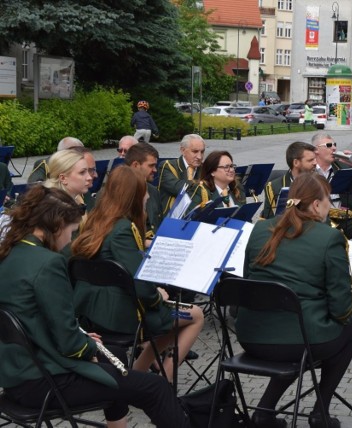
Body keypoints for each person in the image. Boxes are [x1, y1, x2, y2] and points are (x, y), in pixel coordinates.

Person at [0, 185, 190, 428]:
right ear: (57, 224)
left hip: (16, 375)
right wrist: (87, 346)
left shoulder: (10, 253)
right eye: (71, 230)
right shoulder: (48, 263)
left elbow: (32, 318)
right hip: (45, 382)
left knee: (117, 355)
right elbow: (69, 344)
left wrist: (84, 339)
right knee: (156, 387)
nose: (70, 238)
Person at [239, 172, 352, 428]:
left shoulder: (260, 228)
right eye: (329, 201)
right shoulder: (329, 237)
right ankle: (319, 412)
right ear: (316, 204)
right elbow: (341, 306)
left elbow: (247, 281)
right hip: (299, 342)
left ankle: (264, 411)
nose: (331, 207)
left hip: (250, 337)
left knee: (297, 329)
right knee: (348, 326)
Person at [72, 166, 204, 382]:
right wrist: (157, 297)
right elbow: (140, 285)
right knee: (195, 315)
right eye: (144, 191)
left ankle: (137, 376)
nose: (148, 195)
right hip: (123, 316)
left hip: (92, 312)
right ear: (134, 195)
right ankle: (162, 383)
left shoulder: (95, 221)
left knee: (172, 319)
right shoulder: (123, 228)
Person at [312, 132, 352, 239]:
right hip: (319, 220)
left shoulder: (343, 167)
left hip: (345, 219)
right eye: (329, 145)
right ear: (316, 150)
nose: (334, 148)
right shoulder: (308, 170)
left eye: (335, 145)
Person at [261, 141, 317, 219]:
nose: (315, 163)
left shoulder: (319, 182)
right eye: (310, 160)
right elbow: (269, 220)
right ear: (296, 163)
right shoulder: (273, 187)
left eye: (315, 159)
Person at [158, 134, 206, 215]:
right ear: (183, 150)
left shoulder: (205, 168)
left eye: (202, 152)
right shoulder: (168, 166)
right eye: (195, 151)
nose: (199, 156)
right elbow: (178, 188)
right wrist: (202, 184)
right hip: (170, 218)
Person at [124, 142, 162, 239]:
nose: (155, 170)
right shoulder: (116, 193)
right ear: (135, 165)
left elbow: (158, 226)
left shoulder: (153, 191)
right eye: (151, 165)